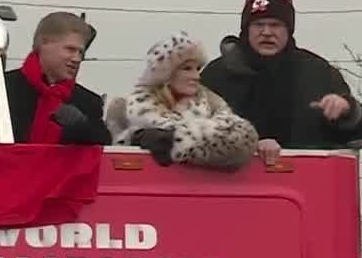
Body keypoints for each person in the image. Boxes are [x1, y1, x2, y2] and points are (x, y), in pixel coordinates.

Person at [201, 0, 362, 165]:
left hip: (306, 185)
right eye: (258, 25)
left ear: (288, 30)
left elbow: (360, 132)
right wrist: (247, 146)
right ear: (246, 29)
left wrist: (347, 111)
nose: (267, 32)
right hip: (231, 188)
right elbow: (191, 131)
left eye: (275, 25)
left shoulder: (318, 73)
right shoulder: (216, 76)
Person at [0, 11, 110, 145]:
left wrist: (84, 129)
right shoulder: (1, 88)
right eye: (70, 49)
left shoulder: (87, 102)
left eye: (80, 52)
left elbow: (105, 151)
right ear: (45, 43)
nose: (77, 58)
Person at [105, 31, 257, 170]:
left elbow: (242, 142)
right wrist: (135, 138)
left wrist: (176, 140)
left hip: (202, 193)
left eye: (198, 69)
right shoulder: (124, 109)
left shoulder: (212, 103)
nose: (197, 76)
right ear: (165, 73)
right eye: (187, 69)